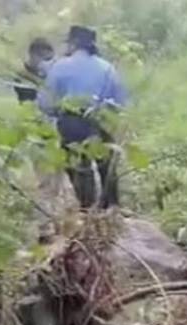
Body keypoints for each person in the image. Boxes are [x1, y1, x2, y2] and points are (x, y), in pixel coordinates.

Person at [38, 26, 128, 210]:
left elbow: (46, 103)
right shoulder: (107, 68)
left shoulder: (60, 67)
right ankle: (111, 207)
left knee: (79, 167)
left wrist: (57, 113)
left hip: (71, 122)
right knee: (106, 165)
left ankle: (86, 209)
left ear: (73, 44)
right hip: (101, 120)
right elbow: (120, 101)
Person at [14, 37, 55, 103]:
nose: (45, 63)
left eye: (48, 59)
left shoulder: (50, 74)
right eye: (43, 57)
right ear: (31, 54)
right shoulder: (21, 77)